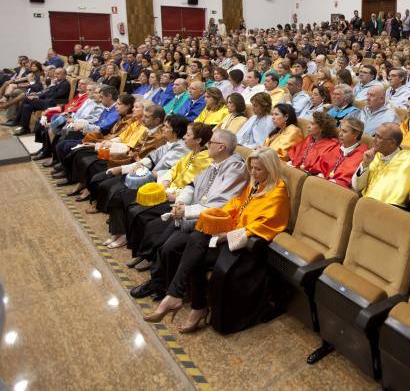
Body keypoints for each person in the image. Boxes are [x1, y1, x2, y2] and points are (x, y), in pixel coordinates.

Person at [143, 148, 290, 334]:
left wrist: (226, 236)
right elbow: (235, 206)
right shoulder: (255, 184)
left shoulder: (277, 191)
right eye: (251, 168)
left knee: (195, 254)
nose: (252, 173)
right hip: (229, 234)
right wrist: (213, 218)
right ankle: (180, 298)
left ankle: (185, 302)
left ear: (271, 169)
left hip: (247, 245)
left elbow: (263, 226)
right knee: (197, 237)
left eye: (258, 169)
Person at [125, 129, 249, 277]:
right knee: (155, 228)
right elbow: (192, 185)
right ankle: (150, 264)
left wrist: (187, 211)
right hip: (190, 209)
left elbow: (221, 203)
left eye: (210, 143)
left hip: (208, 220)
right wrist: (181, 202)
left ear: (221, 147)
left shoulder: (235, 168)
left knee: (168, 245)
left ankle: (161, 285)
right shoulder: (214, 163)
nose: (207, 145)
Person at [352, 123, 410, 207]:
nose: (374, 140)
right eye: (375, 135)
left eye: (379, 137)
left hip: (386, 209)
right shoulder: (375, 155)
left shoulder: (406, 160)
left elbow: (395, 197)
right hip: (365, 204)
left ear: (392, 143)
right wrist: (365, 164)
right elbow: (357, 187)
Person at [315, 116, 369, 188]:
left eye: (344, 131)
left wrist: (333, 182)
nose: (340, 134)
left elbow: (349, 179)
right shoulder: (336, 146)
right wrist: (321, 175)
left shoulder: (361, 154)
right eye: (340, 130)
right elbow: (322, 166)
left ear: (356, 135)